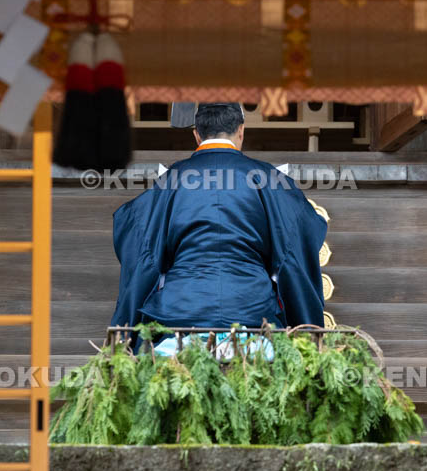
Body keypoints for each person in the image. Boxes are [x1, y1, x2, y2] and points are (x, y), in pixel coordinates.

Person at [110, 103, 326, 333]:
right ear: (241, 130)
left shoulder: (171, 179)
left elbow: (135, 231)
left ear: (196, 135)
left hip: (180, 308)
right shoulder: (269, 178)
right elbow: (300, 232)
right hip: (252, 309)